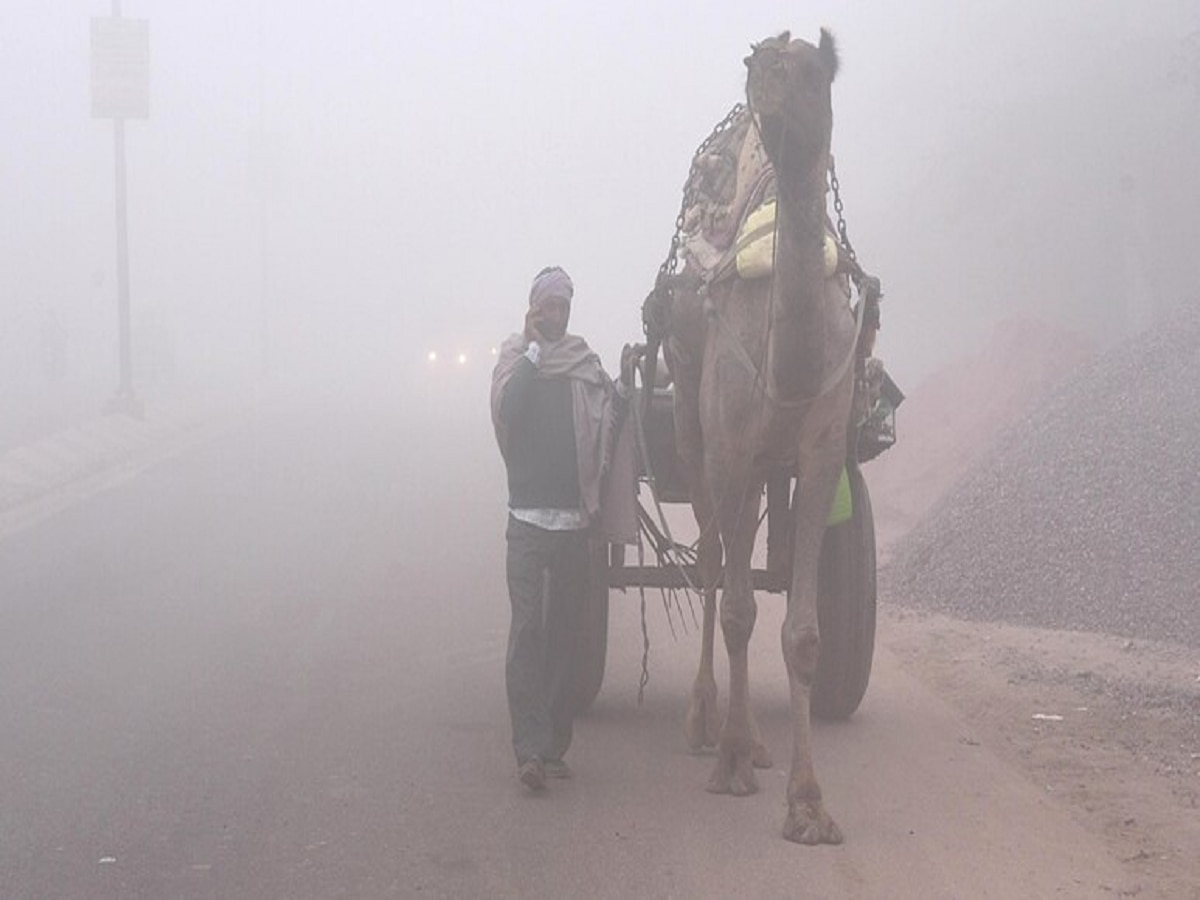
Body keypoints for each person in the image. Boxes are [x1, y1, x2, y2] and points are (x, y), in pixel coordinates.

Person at [489, 266, 627, 791]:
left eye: (564, 306)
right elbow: (510, 408)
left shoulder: (582, 364)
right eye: (549, 306)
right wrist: (530, 351)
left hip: (573, 522)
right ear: (534, 308)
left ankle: (553, 748)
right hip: (526, 521)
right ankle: (528, 749)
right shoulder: (514, 361)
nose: (557, 313)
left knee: (565, 637)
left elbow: (606, 415)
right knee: (527, 633)